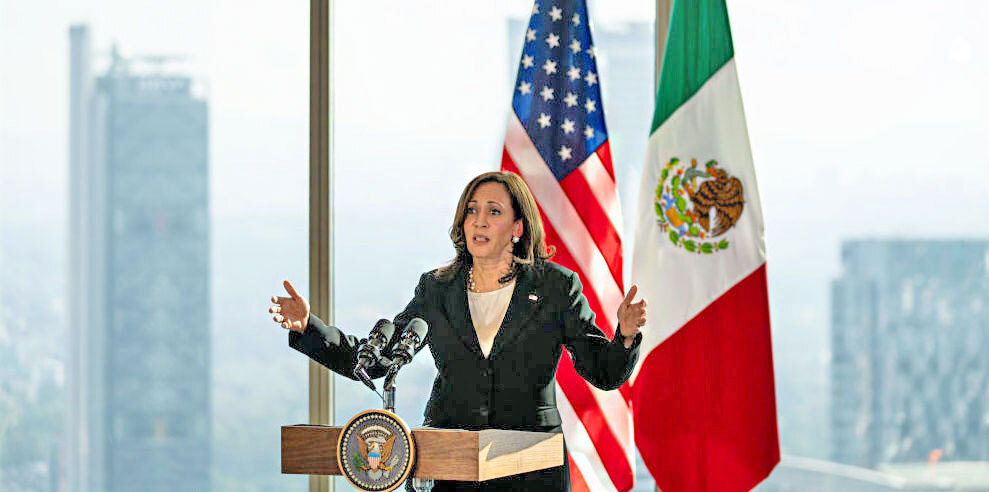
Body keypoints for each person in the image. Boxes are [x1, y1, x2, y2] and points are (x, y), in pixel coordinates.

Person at [269, 171, 647, 491]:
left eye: (493, 212)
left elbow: (604, 371)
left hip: (530, 468)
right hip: (449, 467)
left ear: (517, 227)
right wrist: (309, 326)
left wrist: (625, 336)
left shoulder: (554, 287)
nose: (479, 221)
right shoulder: (437, 289)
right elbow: (375, 360)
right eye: (471, 211)